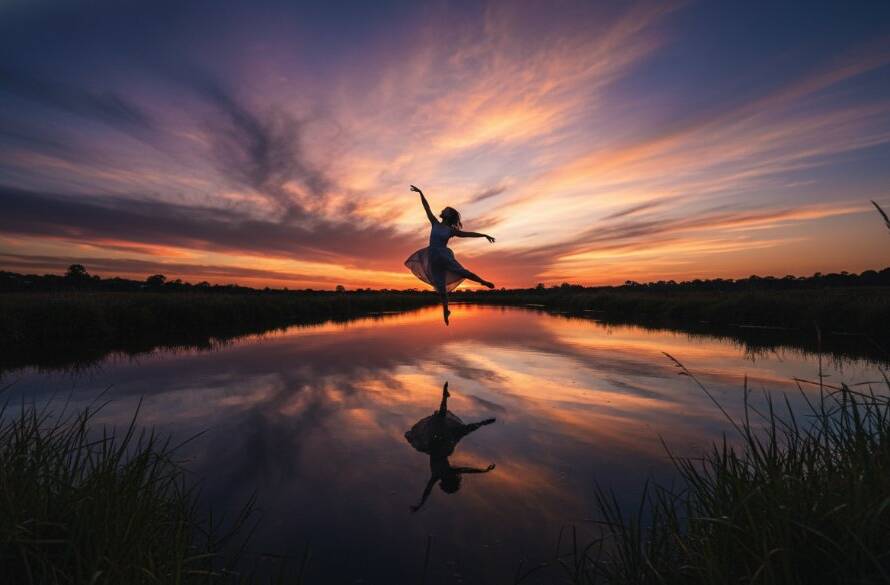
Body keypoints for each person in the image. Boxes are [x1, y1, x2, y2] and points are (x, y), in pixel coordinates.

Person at [404, 185, 496, 325]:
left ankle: (483, 281)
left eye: (445, 210)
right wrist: (420, 193)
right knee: (440, 287)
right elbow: (426, 208)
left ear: (449, 215)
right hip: (433, 257)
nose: (442, 210)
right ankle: (446, 310)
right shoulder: (434, 223)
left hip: (443, 256)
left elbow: (467, 234)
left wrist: (483, 235)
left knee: (463, 272)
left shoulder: (450, 230)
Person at [405, 382, 497, 512]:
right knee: (457, 428)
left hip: (437, 444)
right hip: (437, 444)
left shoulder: (441, 474)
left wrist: (421, 503)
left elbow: (428, 490)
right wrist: (483, 471)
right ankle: (448, 399)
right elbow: (466, 470)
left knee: (453, 425)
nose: (457, 477)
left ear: (451, 481)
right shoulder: (438, 475)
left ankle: (447, 398)